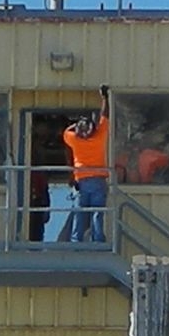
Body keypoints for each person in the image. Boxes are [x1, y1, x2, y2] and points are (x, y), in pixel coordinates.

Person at [63, 85, 110, 242]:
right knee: (97, 213)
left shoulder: (74, 140)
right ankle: (98, 240)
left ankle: (76, 240)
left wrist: (75, 124)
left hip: (82, 181)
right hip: (98, 180)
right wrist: (105, 98)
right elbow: (106, 115)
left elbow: (66, 132)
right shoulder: (99, 137)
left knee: (80, 213)